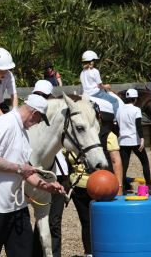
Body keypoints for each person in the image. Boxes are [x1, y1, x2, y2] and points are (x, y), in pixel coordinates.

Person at [0, 94, 65, 257]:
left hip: (17, 206)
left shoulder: (22, 132)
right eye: (39, 119)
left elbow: (26, 170)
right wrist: (18, 168)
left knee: (24, 252)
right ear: (34, 113)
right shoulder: (5, 123)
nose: (37, 123)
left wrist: (46, 186)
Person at [65, 98, 123, 257]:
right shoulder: (107, 135)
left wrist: (118, 186)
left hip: (89, 184)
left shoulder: (78, 134)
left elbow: (116, 161)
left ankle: (93, 252)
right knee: (96, 221)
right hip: (96, 185)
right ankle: (96, 252)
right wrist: (118, 186)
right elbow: (116, 161)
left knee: (88, 222)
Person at [32, 79, 70, 257]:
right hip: (38, 173)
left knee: (52, 222)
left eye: (45, 96)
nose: (42, 99)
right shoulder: (33, 117)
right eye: (38, 95)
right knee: (41, 222)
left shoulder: (56, 116)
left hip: (58, 174)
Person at [116, 88, 151, 195]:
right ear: (135, 99)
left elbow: (118, 125)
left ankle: (122, 188)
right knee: (145, 162)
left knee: (124, 165)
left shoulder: (119, 110)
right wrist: (142, 139)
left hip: (123, 141)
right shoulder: (136, 110)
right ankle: (149, 185)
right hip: (135, 141)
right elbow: (138, 126)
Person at [80, 50, 119, 116]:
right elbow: (100, 86)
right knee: (115, 101)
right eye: (95, 60)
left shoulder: (82, 72)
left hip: (86, 94)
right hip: (96, 93)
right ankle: (116, 120)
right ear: (92, 61)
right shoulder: (95, 71)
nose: (96, 62)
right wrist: (107, 86)